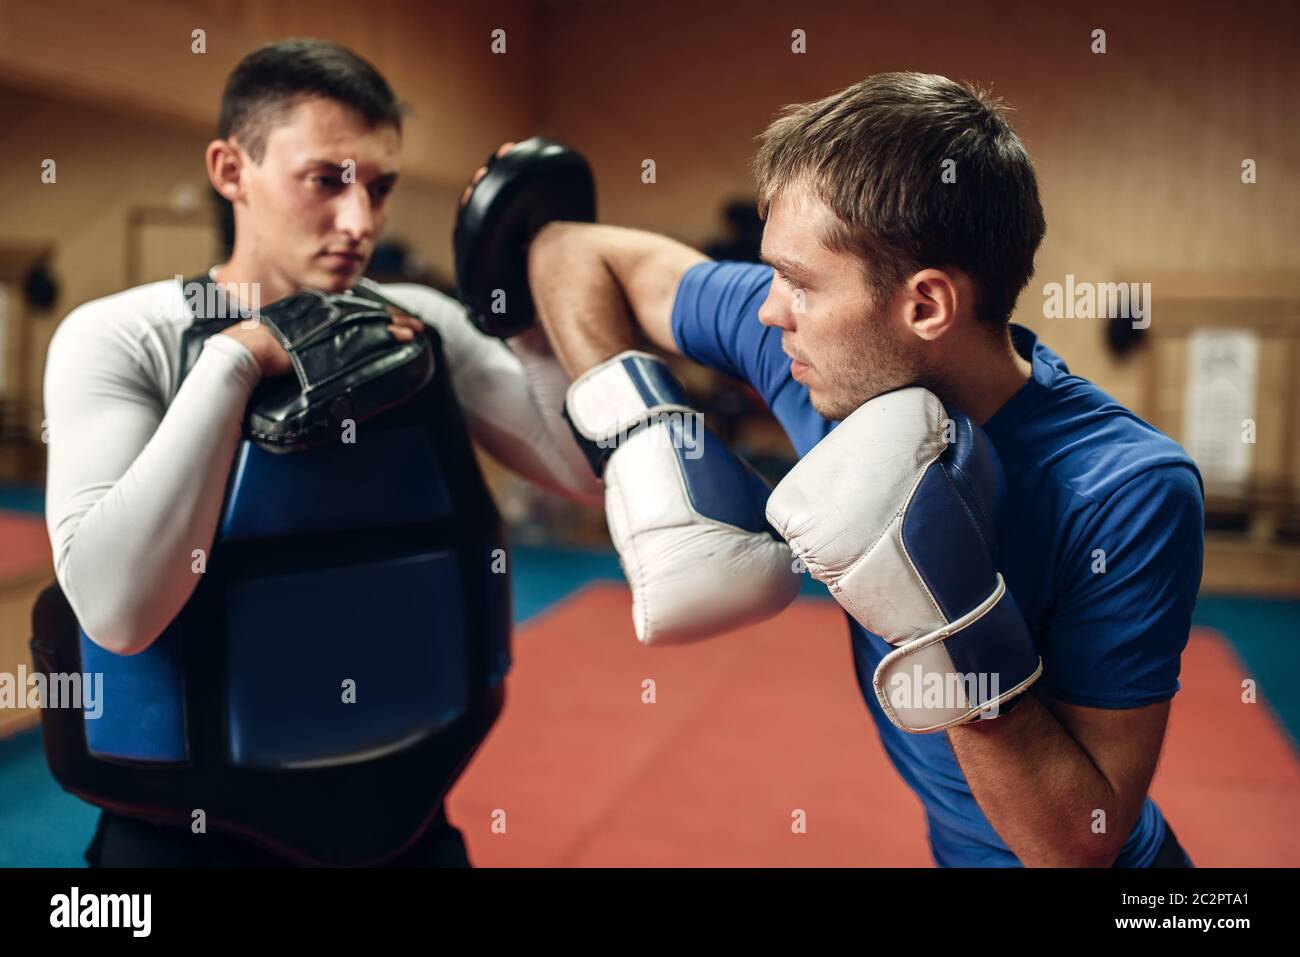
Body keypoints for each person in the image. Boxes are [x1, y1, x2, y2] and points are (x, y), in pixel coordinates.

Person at [522, 72, 1204, 867]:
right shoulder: (817, 351)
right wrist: (637, 430)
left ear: (925, 306)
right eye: (771, 273)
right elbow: (570, 251)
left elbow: (1077, 843)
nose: (769, 311)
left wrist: (948, 629)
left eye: (799, 284)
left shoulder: (1126, 490)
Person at [39, 38, 602, 867]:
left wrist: (527, 309)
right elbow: (118, 612)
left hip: (407, 825)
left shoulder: (418, 320)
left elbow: (582, 475)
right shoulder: (124, 337)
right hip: (191, 838)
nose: (361, 223)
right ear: (232, 170)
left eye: (379, 188)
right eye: (327, 180)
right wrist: (236, 362)